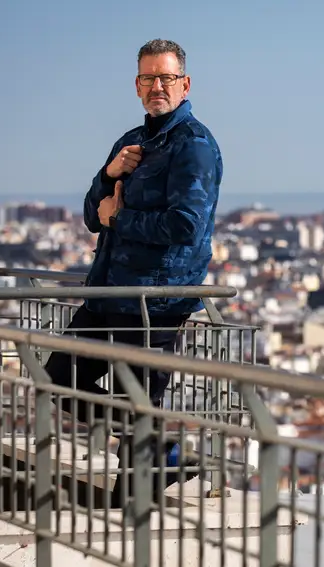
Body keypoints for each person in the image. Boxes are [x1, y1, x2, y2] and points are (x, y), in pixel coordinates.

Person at [43, 38, 222, 508]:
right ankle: (163, 448)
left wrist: (117, 218)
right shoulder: (130, 142)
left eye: (166, 78)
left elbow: (186, 225)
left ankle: (151, 463)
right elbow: (90, 214)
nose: (157, 86)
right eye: (148, 78)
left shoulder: (194, 146)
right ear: (137, 85)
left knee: (137, 414)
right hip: (108, 292)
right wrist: (108, 173)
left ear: (185, 84)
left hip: (154, 302)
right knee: (57, 376)